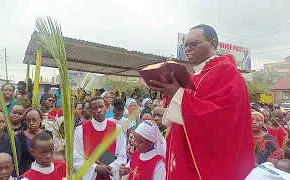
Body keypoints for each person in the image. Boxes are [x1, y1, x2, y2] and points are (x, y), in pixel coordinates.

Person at [149, 24, 255, 180]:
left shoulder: (226, 72)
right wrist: (166, 89)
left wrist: (177, 94)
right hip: (182, 149)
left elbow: (221, 117)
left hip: (204, 159)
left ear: (212, 44)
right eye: (185, 45)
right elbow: (178, 112)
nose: (187, 49)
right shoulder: (193, 74)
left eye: (193, 44)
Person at [73, 96, 127, 180]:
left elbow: (122, 156)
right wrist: (95, 168)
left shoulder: (117, 129)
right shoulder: (80, 130)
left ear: (106, 107)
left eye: (101, 107)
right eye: (94, 108)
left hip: (110, 175)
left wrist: (110, 167)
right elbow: (76, 157)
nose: (99, 110)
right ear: (90, 111)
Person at [16, 108, 52, 174]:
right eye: (28, 120)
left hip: (46, 171)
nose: (31, 123)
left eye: (34, 120)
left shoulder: (48, 134)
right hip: (26, 173)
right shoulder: (19, 137)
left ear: (40, 120)